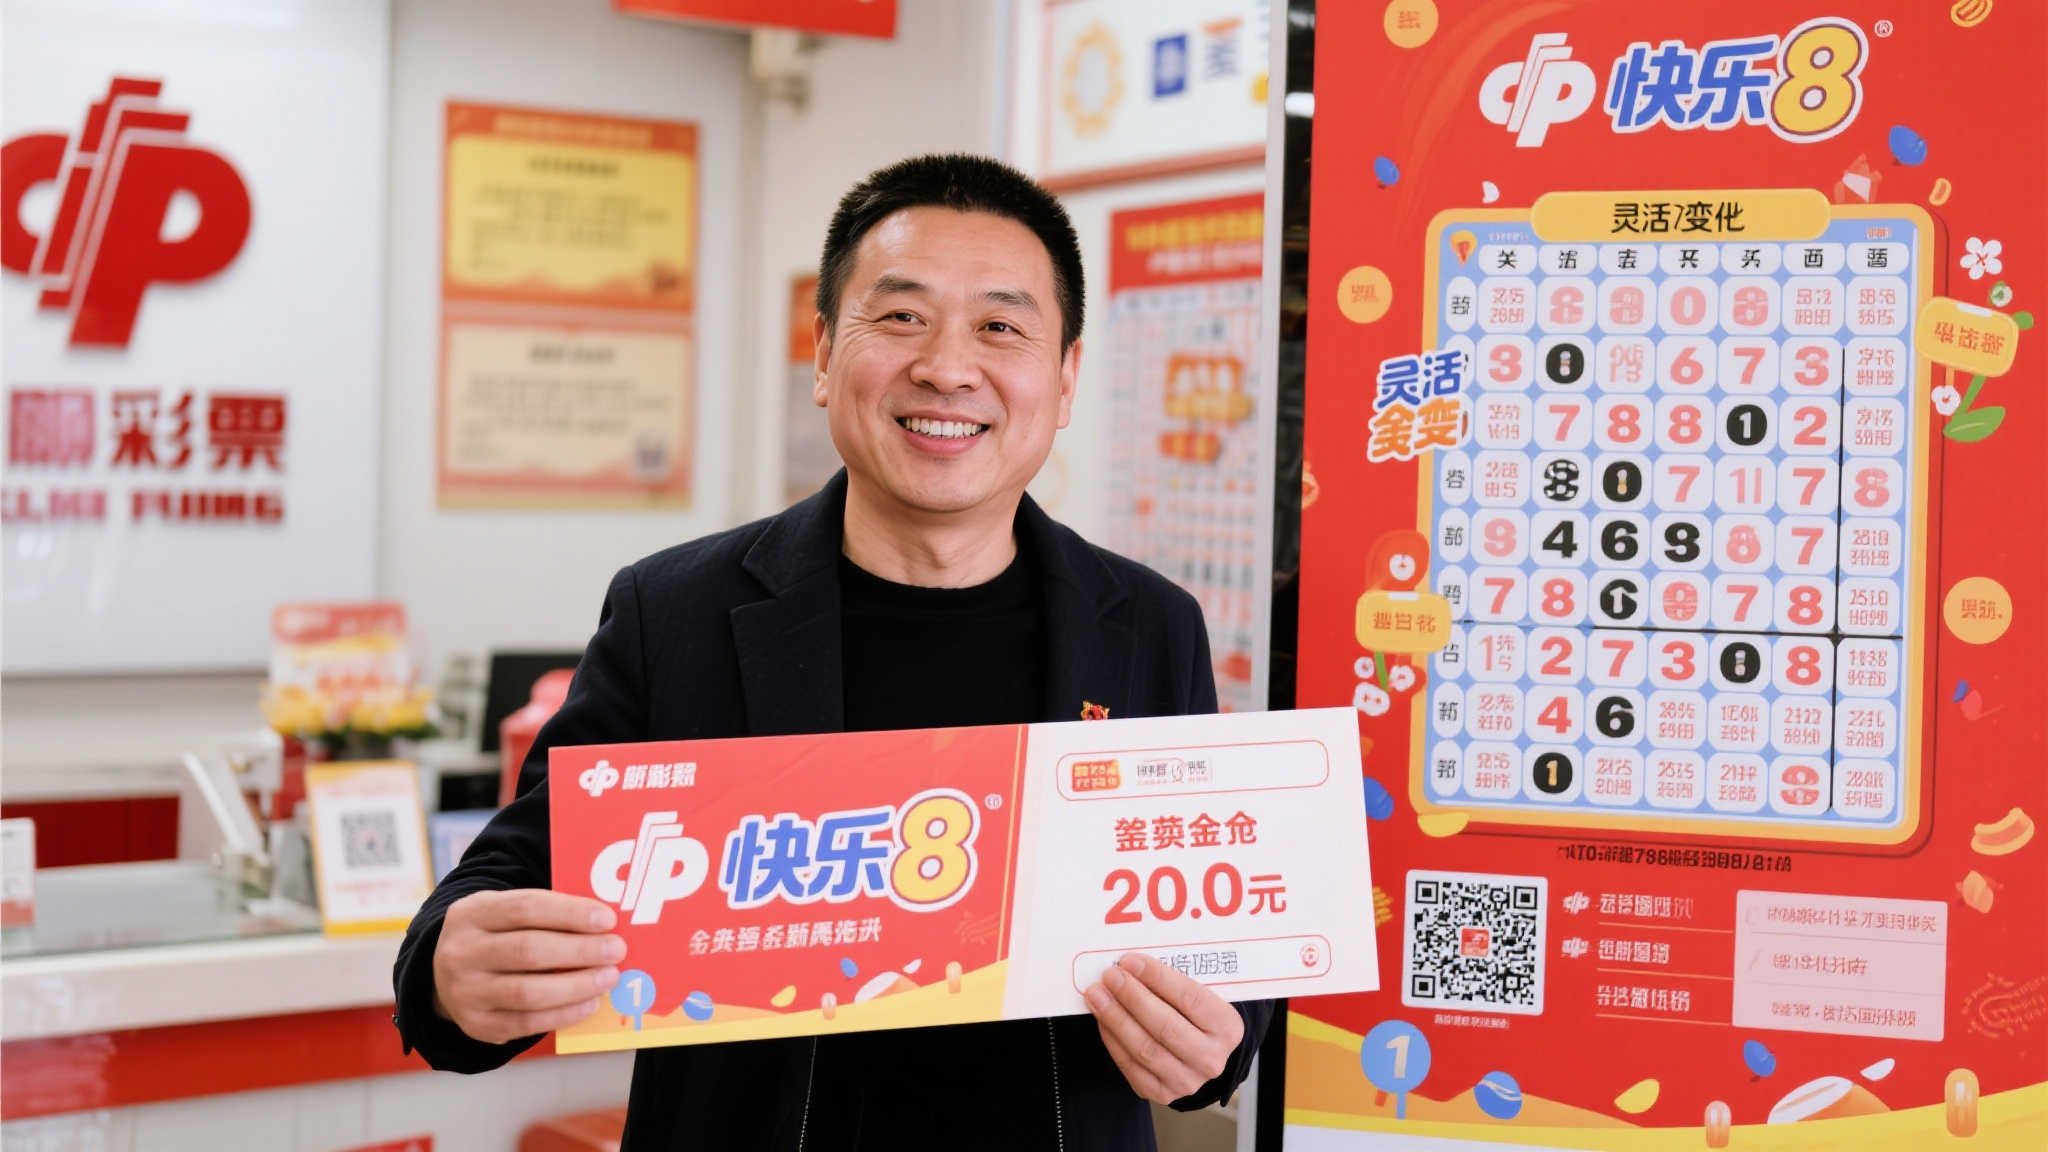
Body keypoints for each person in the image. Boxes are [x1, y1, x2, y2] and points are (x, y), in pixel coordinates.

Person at [394, 154, 1270, 1150]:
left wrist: (1215, 1044)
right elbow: (509, 877)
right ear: (821, 355)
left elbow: (1225, 953)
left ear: (1064, 378)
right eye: (900, 316)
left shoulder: (1149, 625)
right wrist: (451, 971)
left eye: (999, 327)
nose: (946, 367)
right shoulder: (674, 612)